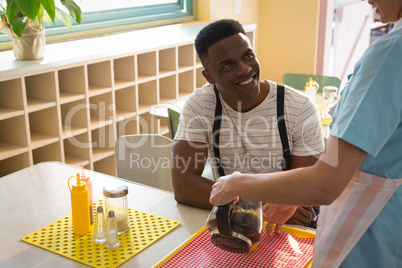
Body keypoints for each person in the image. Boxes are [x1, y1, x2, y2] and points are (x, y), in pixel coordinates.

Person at [210, 1, 402, 267]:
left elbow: (326, 181)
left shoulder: (391, 54)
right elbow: (350, 156)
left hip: (366, 235)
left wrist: (236, 184)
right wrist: (293, 192)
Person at [171, 19, 325, 227]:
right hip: (237, 220)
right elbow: (183, 185)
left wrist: (264, 205)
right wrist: (256, 206)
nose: (244, 69)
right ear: (209, 77)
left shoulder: (299, 107)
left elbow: (306, 186)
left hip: (287, 219)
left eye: (248, 56)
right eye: (227, 65)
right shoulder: (201, 105)